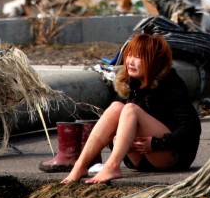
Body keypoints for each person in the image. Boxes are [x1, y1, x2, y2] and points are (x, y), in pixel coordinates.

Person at [61, 32, 201, 184]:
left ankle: (112, 166)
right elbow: (113, 127)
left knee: (130, 109)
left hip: (170, 156)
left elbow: (192, 127)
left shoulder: (171, 83)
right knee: (116, 107)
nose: (130, 61)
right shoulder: (129, 84)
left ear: (154, 60)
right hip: (138, 160)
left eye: (138, 57)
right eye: (129, 55)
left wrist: (156, 143)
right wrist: (115, 141)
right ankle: (81, 165)